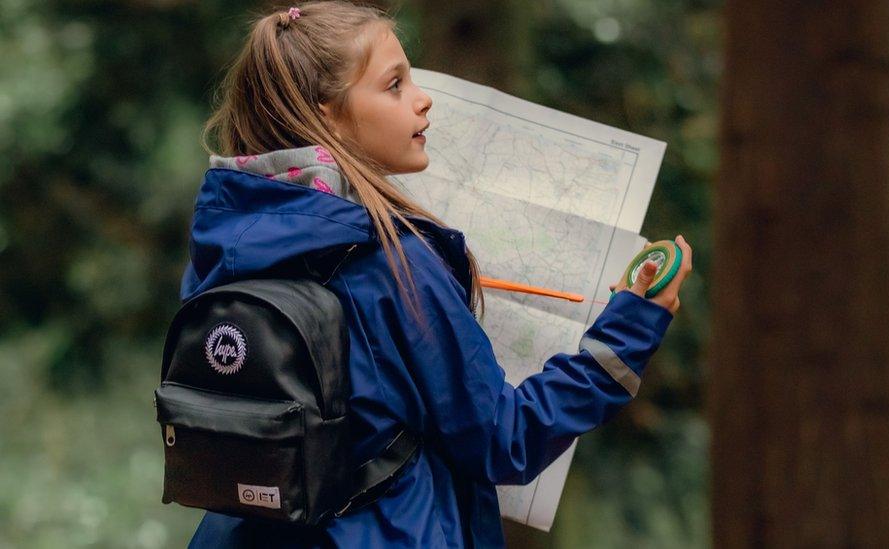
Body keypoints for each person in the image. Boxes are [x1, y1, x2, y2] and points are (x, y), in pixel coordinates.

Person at [181, 1, 693, 547]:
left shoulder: (225, 239)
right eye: (394, 84)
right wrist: (629, 328)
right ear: (326, 112)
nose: (423, 99)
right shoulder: (391, 262)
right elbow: (504, 439)